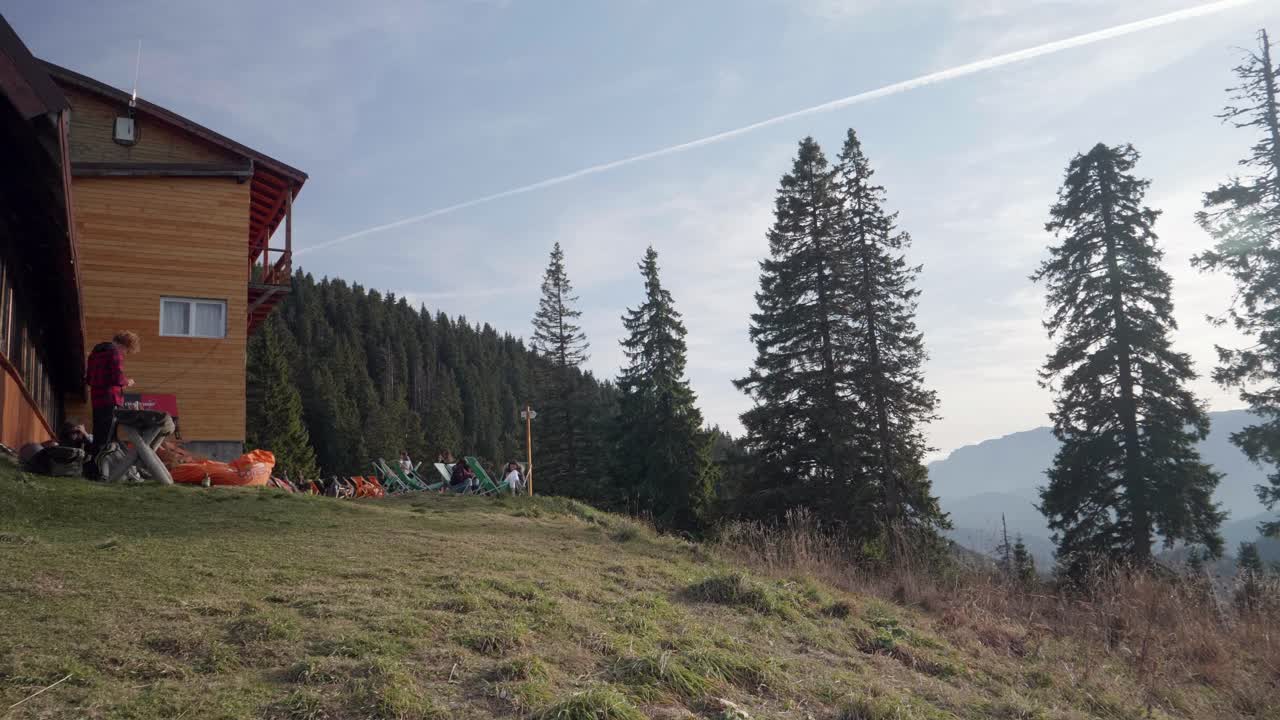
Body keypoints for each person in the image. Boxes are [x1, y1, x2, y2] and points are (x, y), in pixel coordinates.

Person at [85, 331, 139, 459]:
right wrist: (127, 382)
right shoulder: (115, 353)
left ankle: (93, 468)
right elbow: (117, 378)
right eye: (127, 351)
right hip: (110, 399)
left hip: (96, 398)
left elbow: (88, 379)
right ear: (125, 345)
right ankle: (102, 470)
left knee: (98, 434)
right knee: (108, 436)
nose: (125, 354)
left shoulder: (95, 353)